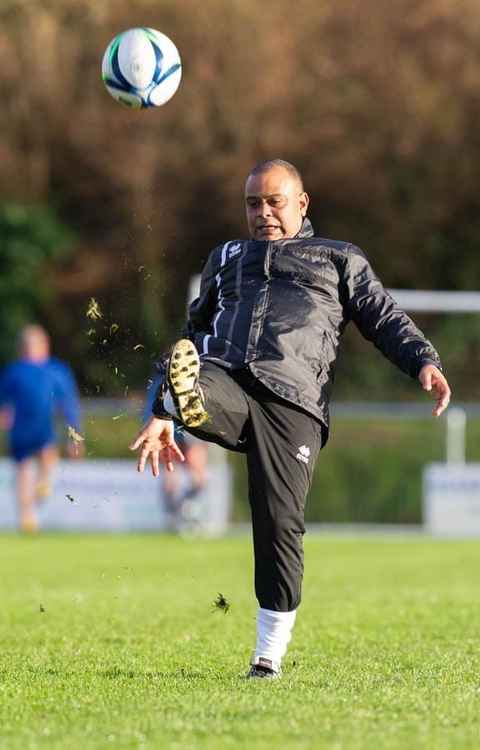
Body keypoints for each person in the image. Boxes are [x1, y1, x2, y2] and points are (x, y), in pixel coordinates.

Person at [130, 159, 451, 679]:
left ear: (302, 203)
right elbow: (192, 333)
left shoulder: (338, 258)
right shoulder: (226, 257)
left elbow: (382, 314)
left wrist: (423, 360)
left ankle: (268, 655)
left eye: (273, 201)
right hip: (225, 378)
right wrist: (161, 410)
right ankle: (181, 404)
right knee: (193, 373)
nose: (262, 213)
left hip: (294, 401)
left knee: (278, 523)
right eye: (252, 203)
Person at [0, 325, 82, 533]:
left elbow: (69, 405)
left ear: (45, 345)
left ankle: (43, 487)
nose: (30, 349)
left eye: (35, 344)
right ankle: (26, 517)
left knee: (48, 458)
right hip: (21, 430)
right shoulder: (14, 371)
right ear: (21, 347)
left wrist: (75, 436)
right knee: (23, 471)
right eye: (27, 345)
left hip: (45, 428)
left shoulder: (56, 371)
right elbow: (3, 399)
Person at [144, 375, 209, 533]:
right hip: (169, 430)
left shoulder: (195, 377)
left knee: (198, 477)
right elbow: (150, 409)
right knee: (171, 476)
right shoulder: (161, 381)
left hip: (191, 430)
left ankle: (188, 511)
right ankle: (174, 515)